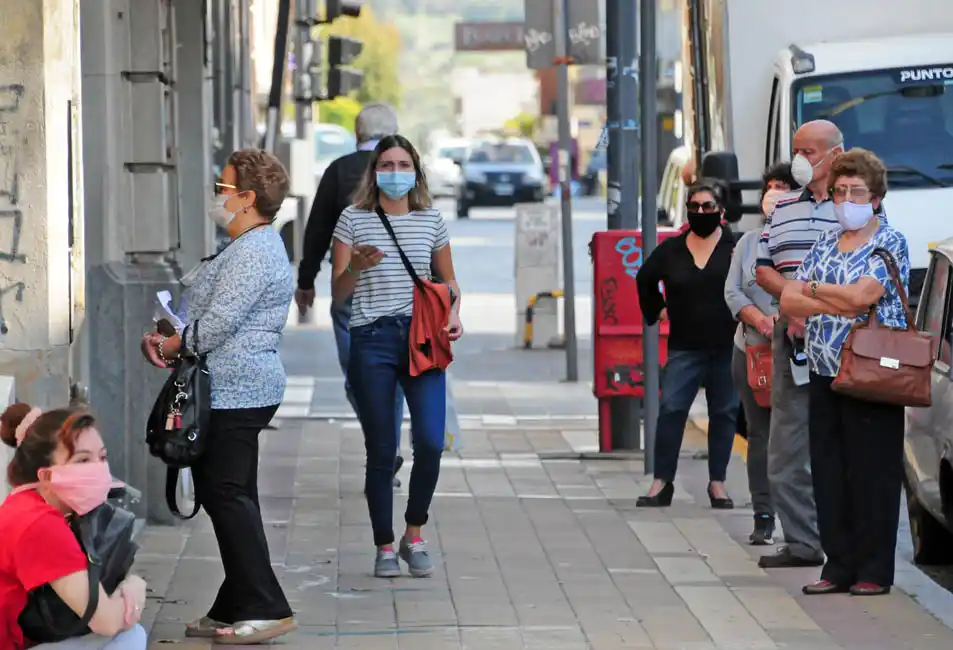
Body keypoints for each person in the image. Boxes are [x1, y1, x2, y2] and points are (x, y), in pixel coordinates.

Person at [140, 149, 296, 643]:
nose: (217, 196)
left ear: (247, 198)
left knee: (226, 495)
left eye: (223, 188)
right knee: (225, 494)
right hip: (227, 385)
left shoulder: (255, 250)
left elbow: (221, 323)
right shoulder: (245, 245)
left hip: (239, 387)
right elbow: (212, 317)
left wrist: (173, 343)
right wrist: (171, 334)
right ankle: (235, 602)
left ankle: (267, 606)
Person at [331, 134, 463, 578]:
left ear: (416, 171)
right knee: (382, 450)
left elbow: (448, 283)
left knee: (429, 441)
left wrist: (454, 315)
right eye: (386, 164)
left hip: (423, 340)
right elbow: (338, 294)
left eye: (403, 164)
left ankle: (414, 533)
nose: (394, 172)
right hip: (372, 340)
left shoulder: (431, 220)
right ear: (373, 172)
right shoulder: (353, 219)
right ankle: (384, 546)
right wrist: (356, 268)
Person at [780, 149, 906, 596]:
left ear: (875, 198)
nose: (845, 199)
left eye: (855, 191)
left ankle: (873, 570)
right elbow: (787, 300)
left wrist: (817, 292)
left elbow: (861, 298)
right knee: (829, 470)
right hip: (823, 370)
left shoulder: (890, 241)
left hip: (872, 375)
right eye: (839, 191)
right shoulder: (825, 243)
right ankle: (838, 566)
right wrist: (830, 295)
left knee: (872, 472)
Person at [295, 103, 404, 487]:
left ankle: (382, 446)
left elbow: (317, 230)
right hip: (399, 293)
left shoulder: (340, 170)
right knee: (391, 373)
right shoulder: (407, 171)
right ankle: (385, 448)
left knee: (359, 376)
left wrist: (306, 281)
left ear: (357, 134)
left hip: (351, 292)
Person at [755, 120, 844, 569]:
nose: (800, 160)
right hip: (792, 343)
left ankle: (845, 547)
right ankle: (803, 544)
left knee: (839, 447)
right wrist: (793, 305)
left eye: (809, 151)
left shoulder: (857, 208)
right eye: (796, 150)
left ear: (835, 153)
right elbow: (763, 268)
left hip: (843, 343)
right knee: (786, 450)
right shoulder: (784, 207)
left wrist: (804, 301)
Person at [0, 403, 147, 650]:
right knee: (128, 637)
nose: (98, 469)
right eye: (82, 460)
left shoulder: (24, 504)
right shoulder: (39, 524)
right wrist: (134, 588)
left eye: (102, 457)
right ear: (46, 476)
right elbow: (107, 621)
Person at [635, 179, 739, 509]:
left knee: (724, 413)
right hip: (685, 346)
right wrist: (658, 310)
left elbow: (754, 280)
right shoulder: (673, 249)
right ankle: (661, 482)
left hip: (727, 345)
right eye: (694, 207)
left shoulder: (735, 247)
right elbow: (645, 278)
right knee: (672, 410)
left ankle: (718, 484)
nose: (700, 213)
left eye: (708, 207)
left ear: (721, 211)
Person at [724, 162, 798, 545]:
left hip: (799, 352)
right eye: (770, 187)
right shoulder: (749, 243)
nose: (775, 194)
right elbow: (733, 291)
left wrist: (784, 320)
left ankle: (799, 521)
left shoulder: (812, 237)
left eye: (784, 187)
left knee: (797, 436)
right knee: (760, 434)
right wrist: (762, 321)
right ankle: (763, 515)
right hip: (752, 350)